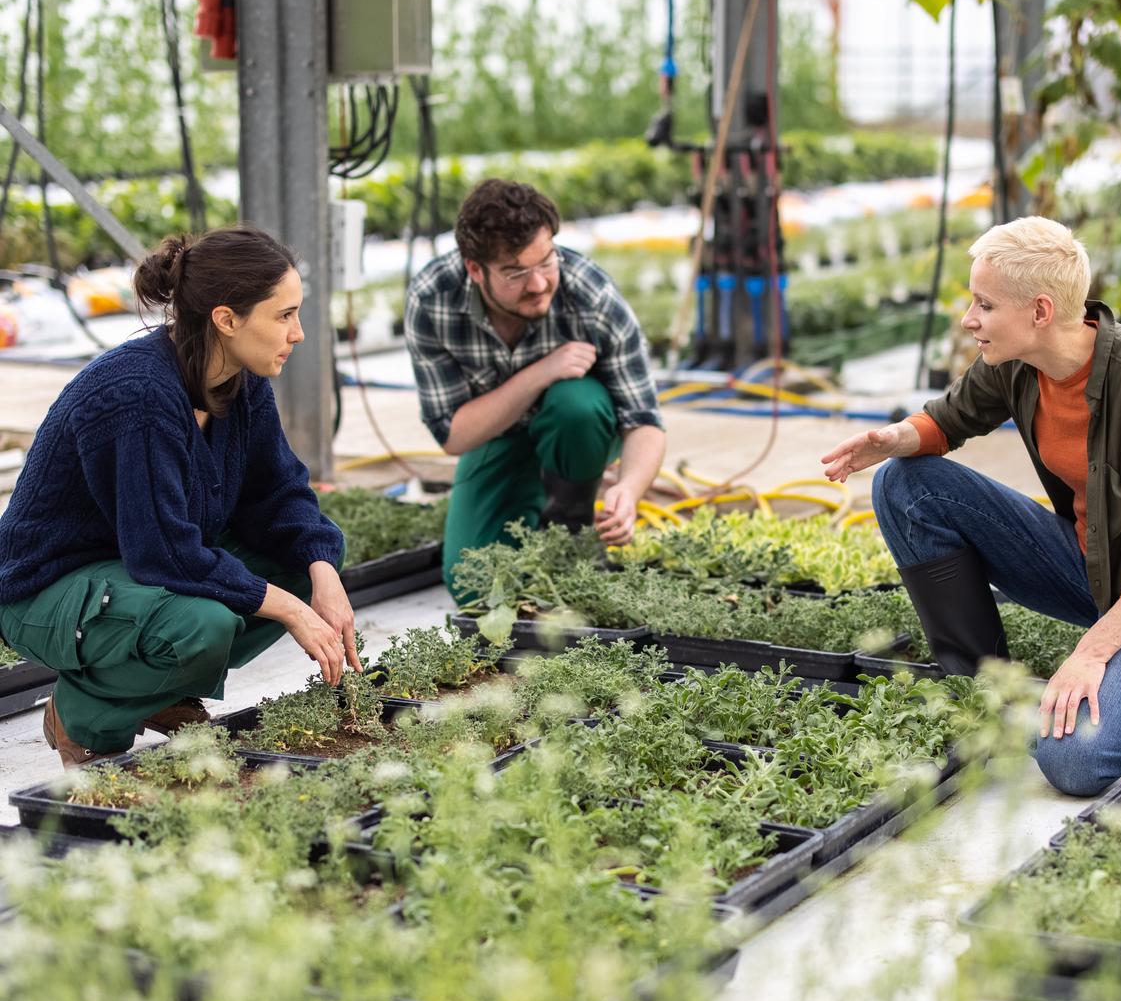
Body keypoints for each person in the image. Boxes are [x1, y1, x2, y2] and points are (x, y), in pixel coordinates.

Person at [821, 216, 1121, 797]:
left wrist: (1093, 653)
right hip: (1086, 566)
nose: (970, 320)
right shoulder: (1017, 362)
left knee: (1074, 761)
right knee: (905, 484)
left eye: (984, 305)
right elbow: (949, 420)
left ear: (1040, 312)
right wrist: (891, 440)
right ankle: (980, 700)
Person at [0, 226, 359, 768]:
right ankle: (81, 713)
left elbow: (279, 492)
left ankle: (158, 689)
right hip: (45, 591)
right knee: (202, 625)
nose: (299, 333)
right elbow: (166, 553)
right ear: (226, 319)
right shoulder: (140, 396)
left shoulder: (240, 380)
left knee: (303, 565)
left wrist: (322, 575)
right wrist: (291, 611)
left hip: (128, 571)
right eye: (283, 315)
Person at [404, 178, 665, 600]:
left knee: (576, 402)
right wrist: (541, 371)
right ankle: (529, 508)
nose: (540, 283)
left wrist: (629, 490)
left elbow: (645, 419)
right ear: (475, 269)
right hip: (495, 437)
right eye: (516, 272)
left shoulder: (591, 296)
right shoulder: (433, 299)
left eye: (546, 261)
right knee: (472, 585)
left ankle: (572, 531)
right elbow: (452, 434)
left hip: (576, 434)